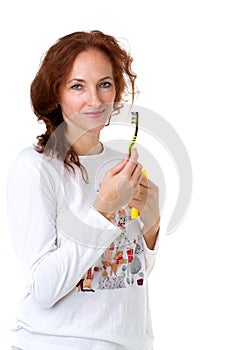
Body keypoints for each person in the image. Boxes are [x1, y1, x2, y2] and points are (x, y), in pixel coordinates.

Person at [7, 30, 160, 350]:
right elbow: (44, 289)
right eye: (78, 86)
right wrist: (102, 209)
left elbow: (125, 275)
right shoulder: (36, 168)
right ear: (55, 95)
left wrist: (152, 224)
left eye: (105, 84)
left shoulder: (123, 164)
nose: (95, 99)